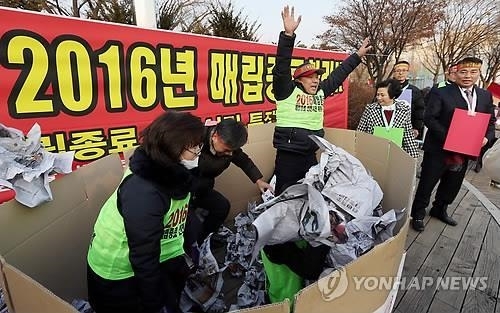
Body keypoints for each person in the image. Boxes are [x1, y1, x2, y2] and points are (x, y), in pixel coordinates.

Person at [87, 111, 205, 313]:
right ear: (174, 148)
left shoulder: (172, 173)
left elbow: (180, 213)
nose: (198, 152)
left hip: (156, 257)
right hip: (119, 273)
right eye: (194, 147)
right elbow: (143, 258)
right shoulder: (144, 192)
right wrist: (154, 305)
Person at [272, 5, 371, 195]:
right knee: (284, 196)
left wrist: (357, 56)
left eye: (317, 76)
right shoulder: (286, 90)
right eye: (310, 76)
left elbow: (338, 74)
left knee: (311, 194)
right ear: (299, 79)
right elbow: (281, 66)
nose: (315, 79)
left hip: (311, 155)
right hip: (288, 157)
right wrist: (288, 35)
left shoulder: (320, 92)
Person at [410, 57, 496, 232]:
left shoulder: (485, 95)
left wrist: (486, 138)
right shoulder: (442, 92)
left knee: (453, 183)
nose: (467, 76)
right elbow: (429, 118)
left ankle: (440, 209)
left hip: (465, 151)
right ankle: (417, 214)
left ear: (479, 74)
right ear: (455, 73)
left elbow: (490, 122)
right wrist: (451, 137)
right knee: (427, 182)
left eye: (473, 72)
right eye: (463, 72)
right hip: (439, 148)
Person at [184, 118, 272, 250]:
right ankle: (187, 249)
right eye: (226, 150)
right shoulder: (195, 139)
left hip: (204, 188)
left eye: (233, 150)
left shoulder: (230, 146)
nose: (230, 153)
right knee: (191, 225)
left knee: (222, 206)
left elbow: (244, 161)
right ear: (215, 136)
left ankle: (204, 240)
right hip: (182, 190)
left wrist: (258, 180)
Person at [357, 78, 420, 159]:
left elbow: (408, 136)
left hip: (395, 155)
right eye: (377, 94)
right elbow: (360, 132)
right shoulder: (370, 109)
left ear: (393, 95)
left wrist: (413, 158)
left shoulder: (404, 110)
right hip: (373, 153)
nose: (379, 98)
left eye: (382, 95)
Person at [392, 60, 425, 139]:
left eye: (404, 70)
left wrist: (416, 127)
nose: (401, 73)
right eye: (398, 71)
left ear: (407, 72)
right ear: (394, 72)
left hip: (406, 128)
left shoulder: (414, 91)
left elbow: (419, 110)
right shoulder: (387, 88)